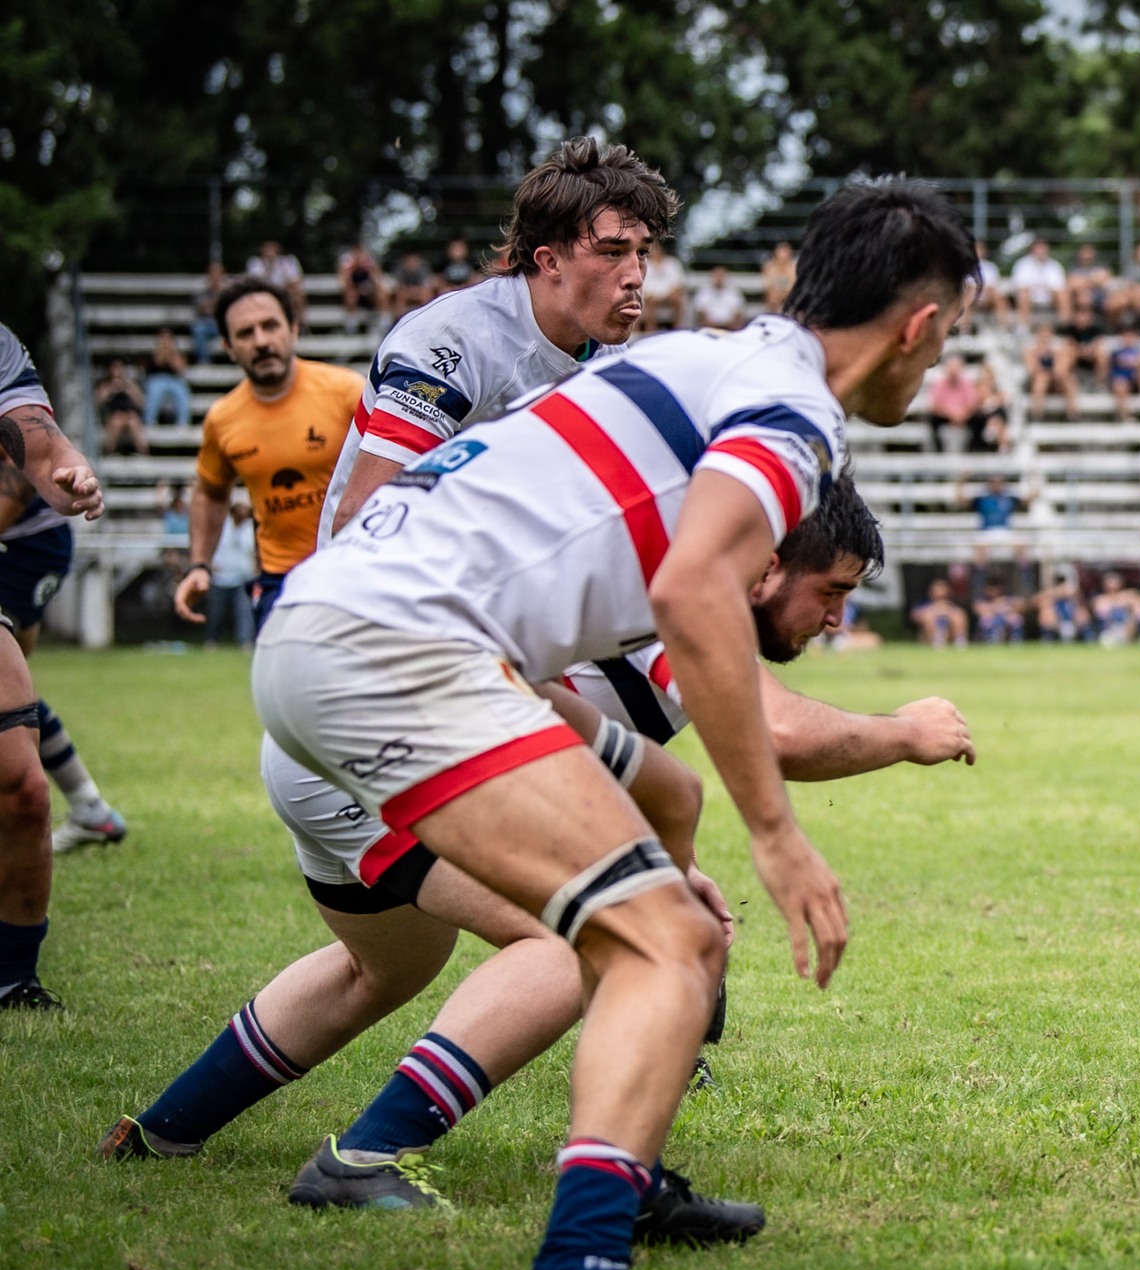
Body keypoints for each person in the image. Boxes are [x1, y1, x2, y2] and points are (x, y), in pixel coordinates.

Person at [243, 178, 975, 1270]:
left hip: (344, 630)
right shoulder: (793, 412)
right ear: (919, 327)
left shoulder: (704, 356)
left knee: (666, 813)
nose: (934, 371)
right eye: (947, 345)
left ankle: (626, 1174)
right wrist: (778, 836)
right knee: (668, 934)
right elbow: (699, 591)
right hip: (401, 648)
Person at [105, 482, 972, 1215]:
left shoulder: (658, 555)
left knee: (384, 966)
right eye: (832, 590)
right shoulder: (680, 583)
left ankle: (165, 1127)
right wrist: (903, 730)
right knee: (587, 932)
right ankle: (364, 1160)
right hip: (383, 753)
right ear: (770, 564)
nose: (836, 617)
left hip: (338, 743)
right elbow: (777, 731)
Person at [319, 138, 668, 549]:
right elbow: (363, 520)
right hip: (369, 595)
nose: (636, 275)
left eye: (641, 253)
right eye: (612, 252)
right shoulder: (452, 340)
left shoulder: (610, 357)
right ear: (549, 261)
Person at [0, 323, 107, 1008]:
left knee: (22, 789)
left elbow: (31, 437)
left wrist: (65, 469)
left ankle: (13, 979)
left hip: (28, 551)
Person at [172, 277, 363, 635]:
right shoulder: (223, 418)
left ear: (293, 329)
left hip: (357, 570)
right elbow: (211, 492)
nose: (260, 341)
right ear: (228, 347)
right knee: (282, 690)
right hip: (280, 583)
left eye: (270, 326)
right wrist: (199, 564)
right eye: (245, 334)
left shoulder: (348, 392)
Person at [206, 495, 258, 649]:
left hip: (243, 577)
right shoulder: (222, 526)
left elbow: (254, 551)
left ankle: (245, 642)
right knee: (216, 613)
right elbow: (211, 544)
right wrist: (210, 563)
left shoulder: (250, 528)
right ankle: (211, 641)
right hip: (221, 577)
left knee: (244, 612)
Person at [926, 352, 981, 451]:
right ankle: (937, 451)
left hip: (964, 416)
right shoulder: (939, 384)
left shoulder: (966, 383)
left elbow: (973, 403)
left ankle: (974, 450)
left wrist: (962, 414)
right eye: (951, 367)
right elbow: (934, 405)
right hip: (945, 417)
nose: (953, 371)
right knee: (932, 419)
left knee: (979, 419)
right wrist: (951, 414)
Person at [1024, 322, 1078, 421]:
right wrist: (1038, 354)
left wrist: (1054, 356)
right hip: (1037, 381)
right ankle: (1037, 414)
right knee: (1041, 380)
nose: (1045, 336)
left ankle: (1072, 414)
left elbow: (1062, 369)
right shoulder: (1030, 349)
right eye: (1042, 332)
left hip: (1055, 381)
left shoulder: (1059, 348)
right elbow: (1032, 370)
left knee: (1069, 381)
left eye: (1047, 332)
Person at [1010, 238, 1068, 325]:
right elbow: (1020, 286)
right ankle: (1023, 327)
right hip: (1029, 297)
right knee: (1023, 295)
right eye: (1039, 248)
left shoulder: (1054, 265)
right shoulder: (1022, 264)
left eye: (1043, 248)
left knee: (1063, 295)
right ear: (1032, 250)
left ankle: (1065, 327)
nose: (1041, 251)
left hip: (1049, 298)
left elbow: (1058, 287)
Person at [142, 328, 191, 428]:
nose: (165, 341)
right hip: (156, 379)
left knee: (182, 390)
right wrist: (162, 352)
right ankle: (149, 421)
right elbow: (157, 362)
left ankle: (183, 422)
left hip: (174, 380)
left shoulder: (177, 353)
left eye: (168, 338)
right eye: (163, 338)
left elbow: (180, 368)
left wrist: (171, 354)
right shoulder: (152, 353)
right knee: (155, 390)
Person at [95, 360, 147, 453]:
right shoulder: (105, 385)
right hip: (112, 416)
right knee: (117, 420)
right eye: (115, 368)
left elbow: (141, 403)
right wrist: (110, 390)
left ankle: (142, 452)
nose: (117, 372)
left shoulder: (130, 384)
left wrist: (129, 390)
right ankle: (109, 451)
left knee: (133, 420)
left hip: (129, 415)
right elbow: (97, 403)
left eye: (120, 368)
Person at [1090, 571, 1140, 647]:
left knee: (1139, 604)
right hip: (1111, 629)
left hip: (1128, 629)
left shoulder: (1129, 595)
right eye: (1110, 582)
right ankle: (1105, 635)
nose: (1112, 585)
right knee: (1101, 605)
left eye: (1115, 582)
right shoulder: (1101, 599)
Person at [246, 240, 306, 317]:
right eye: (267, 248)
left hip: (284, 291)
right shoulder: (255, 263)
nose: (269, 251)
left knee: (296, 295)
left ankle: (299, 320)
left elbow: (295, 281)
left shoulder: (288, 261)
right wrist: (269, 266)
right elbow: (255, 282)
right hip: (263, 291)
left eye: (272, 247)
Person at [1104, 326, 1140, 423]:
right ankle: (1125, 416)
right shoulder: (1116, 352)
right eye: (1126, 336)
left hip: (1136, 380)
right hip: (1121, 381)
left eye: (1131, 336)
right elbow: (1109, 368)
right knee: (1120, 384)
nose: (1129, 338)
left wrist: (1136, 363)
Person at [339, 244, 390, 335]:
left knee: (381, 294)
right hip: (356, 293)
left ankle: (384, 324)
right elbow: (345, 283)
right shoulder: (348, 264)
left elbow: (378, 279)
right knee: (351, 295)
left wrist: (371, 278)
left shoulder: (369, 263)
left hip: (369, 292)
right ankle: (351, 326)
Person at [640, 240, 686, 331]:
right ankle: (651, 330)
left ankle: (677, 328)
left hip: (669, 295)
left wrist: (667, 295)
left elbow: (679, 284)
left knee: (678, 298)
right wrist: (654, 296)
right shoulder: (646, 264)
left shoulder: (673, 263)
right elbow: (644, 285)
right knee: (650, 300)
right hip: (652, 296)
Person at [912, 578, 971, 647]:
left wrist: (947, 611)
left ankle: (960, 640)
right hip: (929, 633)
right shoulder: (923, 603)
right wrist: (934, 610)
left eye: (942, 588)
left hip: (949, 631)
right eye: (937, 588)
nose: (940, 591)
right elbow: (914, 616)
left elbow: (959, 614)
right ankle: (936, 640)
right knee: (928, 616)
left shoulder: (951, 604)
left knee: (958, 615)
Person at [1033, 574, 1091, 642]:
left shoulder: (1074, 596)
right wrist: (1056, 593)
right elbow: (1034, 601)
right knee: (1046, 611)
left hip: (1072, 621)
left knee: (1082, 613)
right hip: (1057, 622)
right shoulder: (1050, 596)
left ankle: (1089, 639)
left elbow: (1084, 603)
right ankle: (1047, 640)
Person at [691, 264, 748, 331]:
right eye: (717, 275)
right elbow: (700, 310)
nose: (719, 278)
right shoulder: (703, 290)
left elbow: (738, 311)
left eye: (721, 275)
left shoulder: (734, 291)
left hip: (729, 328)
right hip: (709, 327)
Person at [191, 261, 226, 361]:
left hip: (223, 324)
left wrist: (211, 305)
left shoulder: (228, 292)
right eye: (212, 273)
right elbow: (202, 310)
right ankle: (204, 362)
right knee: (198, 329)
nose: (215, 276)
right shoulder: (202, 294)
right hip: (208, 324)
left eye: (218, 273)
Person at [391, 250, 436, 317]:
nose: (412, 262)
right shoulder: (400, 269)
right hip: (406, 292)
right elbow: (397, 285)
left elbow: (427, 284)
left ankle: (426, 316)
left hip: (419, 291)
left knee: (426, 293)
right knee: (400, 294)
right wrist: (409, 290)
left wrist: (415, 290)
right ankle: (400, 319)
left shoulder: (423, 269)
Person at [761, 241, 798, 315]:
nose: (783, 255)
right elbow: (768, 285)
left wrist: (783, 293)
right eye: (781, 252)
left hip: (789, 295)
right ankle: (773, 317)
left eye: (785, 252)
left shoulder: (794, 268)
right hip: (774, 296)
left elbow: (793, 285)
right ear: (776, 253)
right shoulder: (769, 267)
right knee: (772, 296)